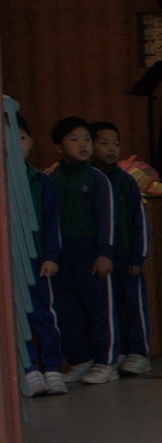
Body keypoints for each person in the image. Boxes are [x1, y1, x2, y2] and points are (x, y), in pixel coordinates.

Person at [47, 118, 118, 386]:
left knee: (99, 308)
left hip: (90, 252)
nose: (83, 145)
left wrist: (104, 253)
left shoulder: (97, 178)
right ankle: (81, 359)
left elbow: (106, 218)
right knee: (67, 310)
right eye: (74, 139)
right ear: (59, 147)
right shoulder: (51, 178)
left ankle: (106, 361)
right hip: (62, 254)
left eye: (87, 139)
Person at [90, 122, 152, 377]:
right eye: (104, 143)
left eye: (116, 143)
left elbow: (139, 220)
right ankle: (117, 352)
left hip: (127, 257)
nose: (112, 149)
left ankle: (139, 352)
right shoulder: (91, 178)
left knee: (134, 305)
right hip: (101, 258)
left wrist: (139, 256)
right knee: (108, 308)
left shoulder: (127, 181)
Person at [16, 118, 68, 397]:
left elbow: (51, 223)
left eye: (21, 138)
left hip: (36, 258)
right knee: (15, 316)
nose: (14, 145)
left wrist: (51, 256)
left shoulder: (41, 180)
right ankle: (29, 370)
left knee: (43, 313)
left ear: (31, 142)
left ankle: (52, 368)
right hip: (9, 261)